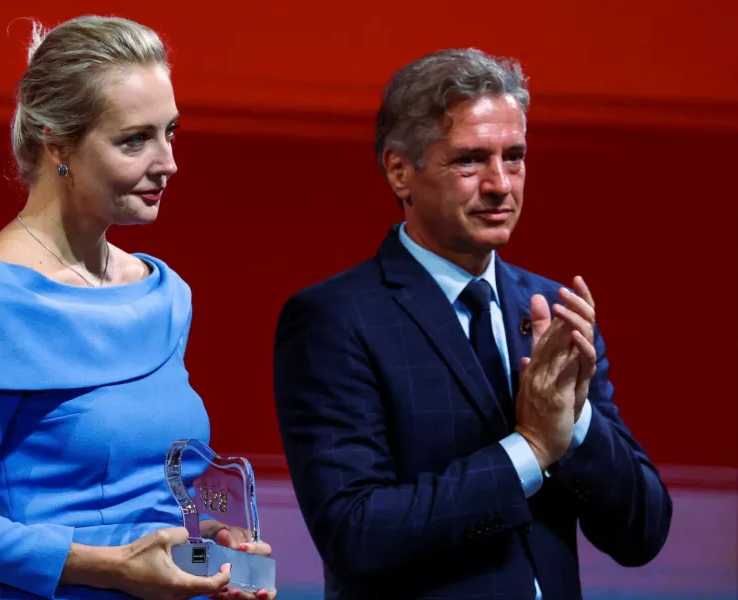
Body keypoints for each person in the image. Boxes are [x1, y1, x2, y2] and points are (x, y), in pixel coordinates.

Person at [0, 15, 274, 600]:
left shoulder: (164, 293)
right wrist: (110, 565)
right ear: (57, 144)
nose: (168, 162)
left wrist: (208, 540)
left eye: (170, 132)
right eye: (135, 140)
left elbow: (154, 482)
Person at [272, 48, 672, 600]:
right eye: (470, 160)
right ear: (398, 171)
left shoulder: (554, 314)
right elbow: (356, 534)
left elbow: (642, 534)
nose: (500, 184)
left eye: (515, 157)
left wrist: (576, 423)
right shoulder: (334, 319)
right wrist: (530, 450)